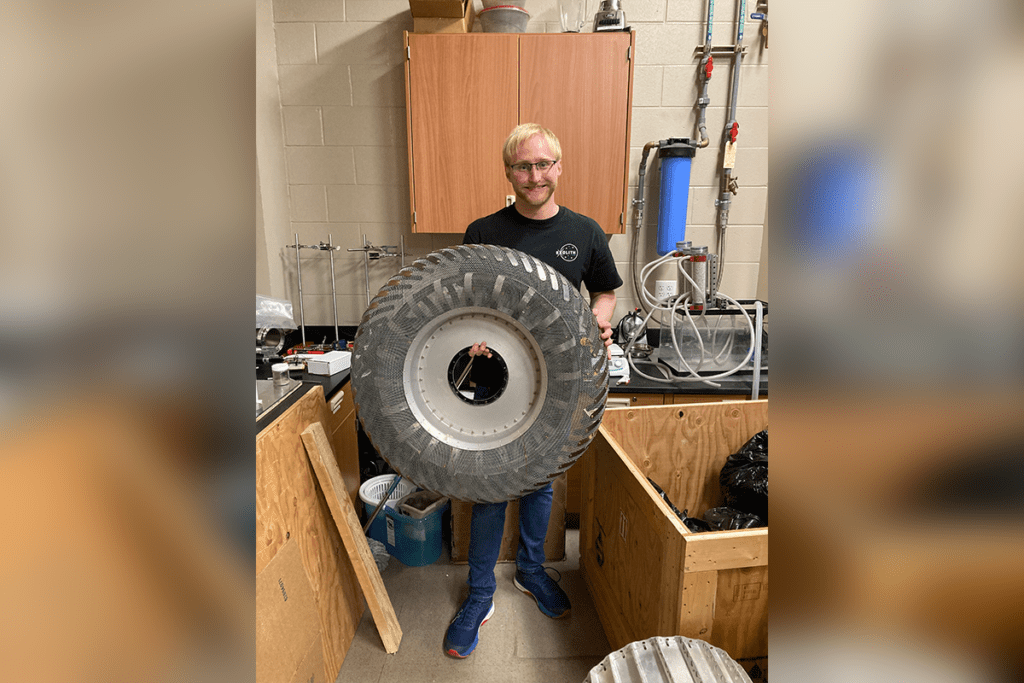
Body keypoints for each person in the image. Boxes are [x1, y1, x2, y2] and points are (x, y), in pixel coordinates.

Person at [443, 123, 622, 658]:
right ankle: (479, 593)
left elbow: (607, 291)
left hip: (556, 382)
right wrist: (468, 334)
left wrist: (596, 320)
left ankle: (530, 572)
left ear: (559, 168)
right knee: (490, 486)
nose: (535, 175)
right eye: (524, 166)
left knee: (540, 483)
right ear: (508, 172)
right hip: (488, 380)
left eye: (544, 165)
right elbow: (459, 298)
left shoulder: (587, 232)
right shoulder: (482, 230)